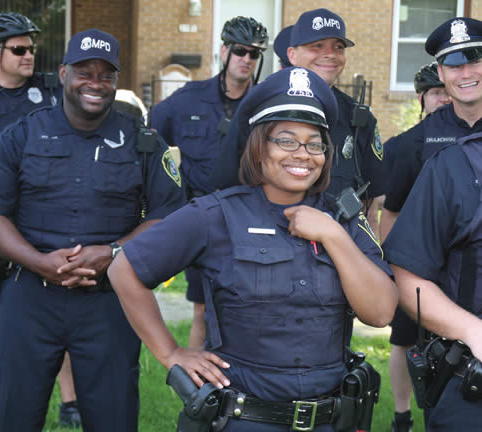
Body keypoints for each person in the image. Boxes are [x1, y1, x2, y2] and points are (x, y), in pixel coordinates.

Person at [108, 66, 397, 432]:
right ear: (259, 147)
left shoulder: (344, 220)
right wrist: (171, 353)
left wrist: (334, 236)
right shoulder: (215, 214)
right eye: (287, 140)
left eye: (314, 143)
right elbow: (124, 270)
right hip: (243, 419)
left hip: (330, 419)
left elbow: (381, 312)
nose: (303, 154)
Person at [0, 28, 185, 431]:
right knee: (8, 415)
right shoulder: (22, 135)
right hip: (29, 296)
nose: (95, 83)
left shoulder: (143, 142)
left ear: (115, 80)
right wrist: (39, 262)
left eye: (105, 74)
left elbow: (169, 216)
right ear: (62, 73)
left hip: (109, 301)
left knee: (113, 417)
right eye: (84, 72)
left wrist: (112, 252)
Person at [0, 12, 81, 428]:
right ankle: (1, 371)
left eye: (31, 49)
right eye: (19, 49)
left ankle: (70, 398)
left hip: (44, 215)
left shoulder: (50, 91)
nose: (29, 56)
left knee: (59, 299)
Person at [383, 17, 482, 432]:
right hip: (455, 332)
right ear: (439, 75)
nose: (466, 71)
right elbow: (393, 217)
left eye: (475, 58)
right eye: (453, 64)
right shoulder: (422, 148)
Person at [210, 9, 386, 237]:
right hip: (267, 247)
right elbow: (226, 188)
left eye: (338, 47)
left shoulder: (360, 120)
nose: (330, 54)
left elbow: (370, 207)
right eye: (317, 46)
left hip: (338, 250)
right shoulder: (259, 110)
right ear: (292, 55)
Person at [151, 16, 268, 348]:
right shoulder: (189, 98)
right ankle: (197, 391)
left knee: (248, 308)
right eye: (241, 51)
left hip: (249, 216)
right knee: (203, 309)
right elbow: (152, 139)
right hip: (203, 217)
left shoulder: (263, 103)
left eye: (254, 54)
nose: (246, 59)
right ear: (224, 51)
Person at [380, 62, 450, 432]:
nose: (443, 98)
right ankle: (402, 415)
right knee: (404, 342)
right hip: (413, 267)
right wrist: (393, 268)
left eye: (446, 90)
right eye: (435, 92)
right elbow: (386, 212)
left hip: (457, 266)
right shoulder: (405, 146)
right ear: (421, 98)